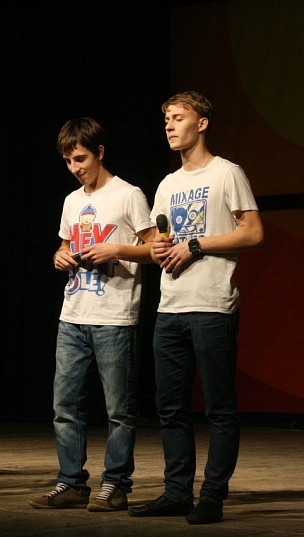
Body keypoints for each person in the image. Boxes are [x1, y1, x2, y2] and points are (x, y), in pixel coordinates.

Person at [128, 91, 264, 524]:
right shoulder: (168, 184)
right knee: (169, 408)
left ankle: (213, 497)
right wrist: (159, 247)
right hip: (171, 307)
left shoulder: (227, 173)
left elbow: (253, 232)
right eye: (166, 118)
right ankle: (176, 492)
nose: (169, 125)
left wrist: (196, 245)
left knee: (219, 408)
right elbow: (158, 243)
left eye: (178, 117)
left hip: (212, 305)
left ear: (202, 123)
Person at [28, 118, 155, 512]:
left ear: (100, 152)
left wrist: (115, 249)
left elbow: (155, 249)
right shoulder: (72, 201)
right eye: (68, 161)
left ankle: (115, 484)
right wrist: (59, 256)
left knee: (118, 410)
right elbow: (64, 246)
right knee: (65, 406)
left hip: (114, 316)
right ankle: (71, 482)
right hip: (73, 314)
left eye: (80, 159)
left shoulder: (128, 195)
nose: (75, 167)